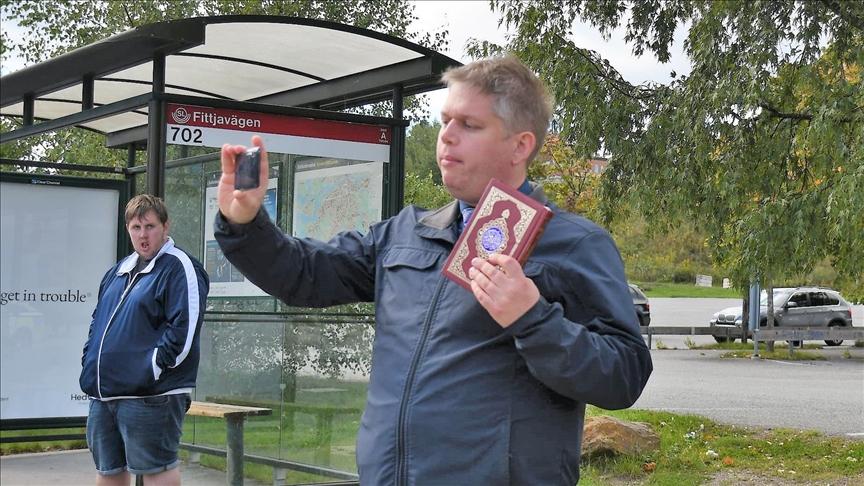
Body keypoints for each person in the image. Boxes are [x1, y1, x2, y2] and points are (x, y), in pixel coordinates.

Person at [214, 55, 652, 485]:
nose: (447, 136)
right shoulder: (404, 234)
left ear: (520, 145)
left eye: (469, 125)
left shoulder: (575, 244)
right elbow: (302, 274)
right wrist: (245, 222)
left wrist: (533, 318)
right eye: (445, 121)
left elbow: (624, 375)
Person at [79, 194, 209, 486]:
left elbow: (184, 329)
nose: (143, 235)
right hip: (104, 394)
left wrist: (151, 368)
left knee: (157, 472)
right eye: (136, 227)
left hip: (151, 395)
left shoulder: (179, 267)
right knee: (109, 471)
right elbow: (97, 322)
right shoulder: (118, 271)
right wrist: (89, 360)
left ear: (165, 226)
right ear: (128, 229)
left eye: (150, 226)